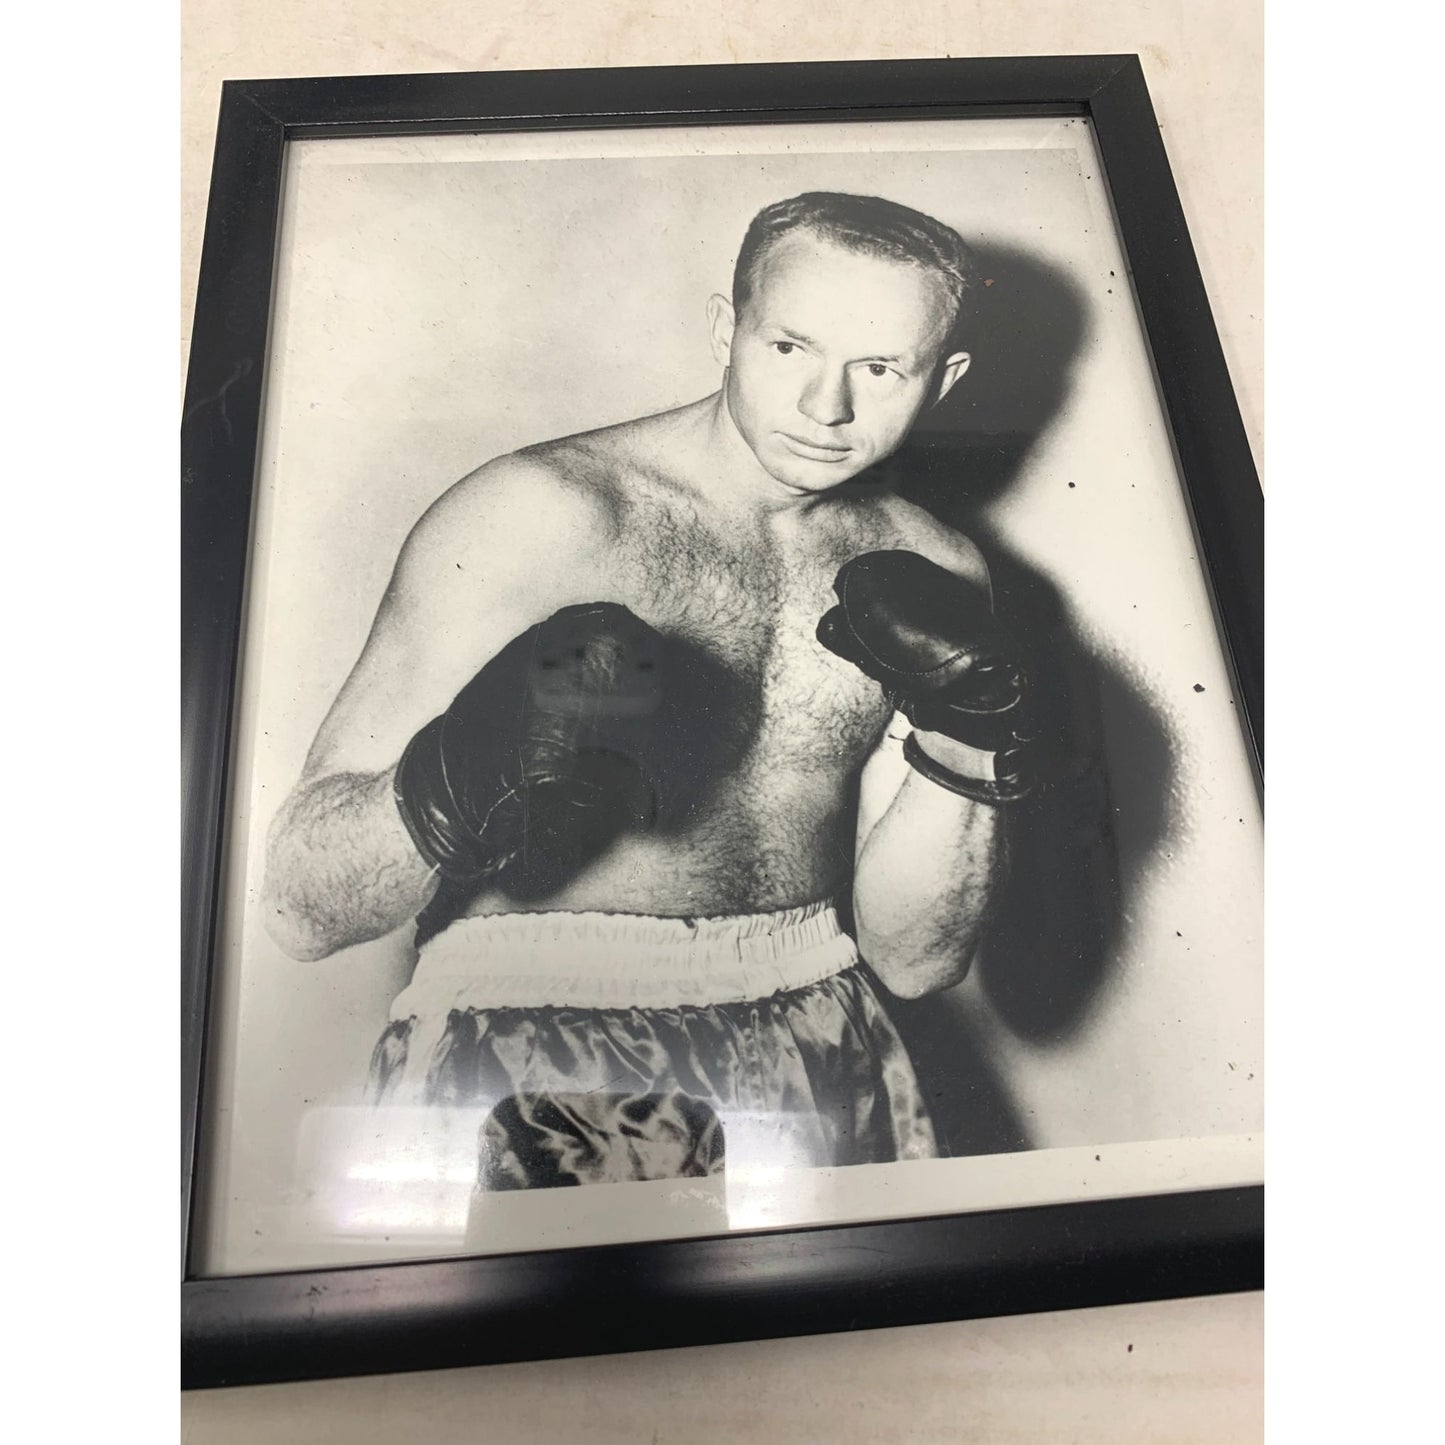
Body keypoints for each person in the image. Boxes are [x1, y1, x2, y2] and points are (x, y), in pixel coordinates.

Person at [261, 191, 1038, 1191]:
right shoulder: (541, 517)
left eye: (879, 367)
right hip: (529, 1037)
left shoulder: (932, 564)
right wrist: (458, 777)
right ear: (725, 327)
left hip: (822, 1021)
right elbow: (296, 907)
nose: (825, 406)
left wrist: (962, 736)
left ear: (943, 377)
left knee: (811, 1355)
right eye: (791, 347)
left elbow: (913, 959)